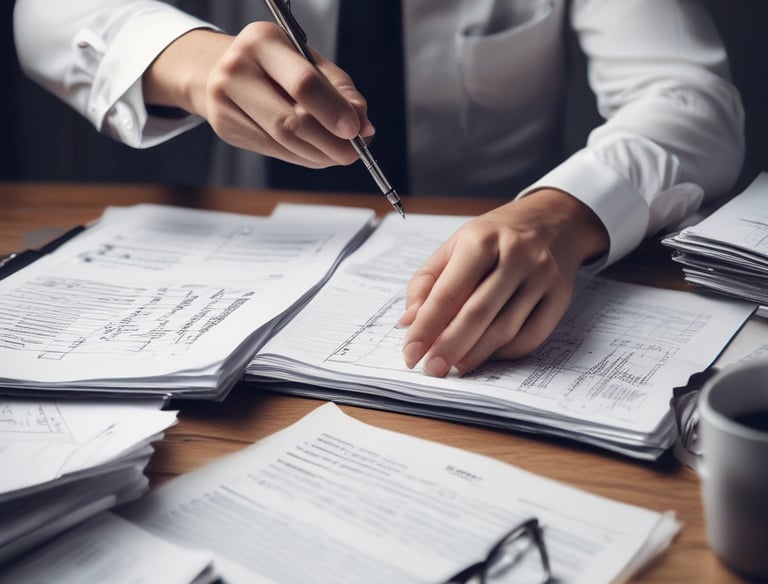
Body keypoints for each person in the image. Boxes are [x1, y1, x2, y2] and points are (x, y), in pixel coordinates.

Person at [13, 0, 745, 378]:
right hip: (249, 274)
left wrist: (565, 211)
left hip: (505, 259)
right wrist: (188, 63)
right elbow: (43, 14)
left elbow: (690, 96)